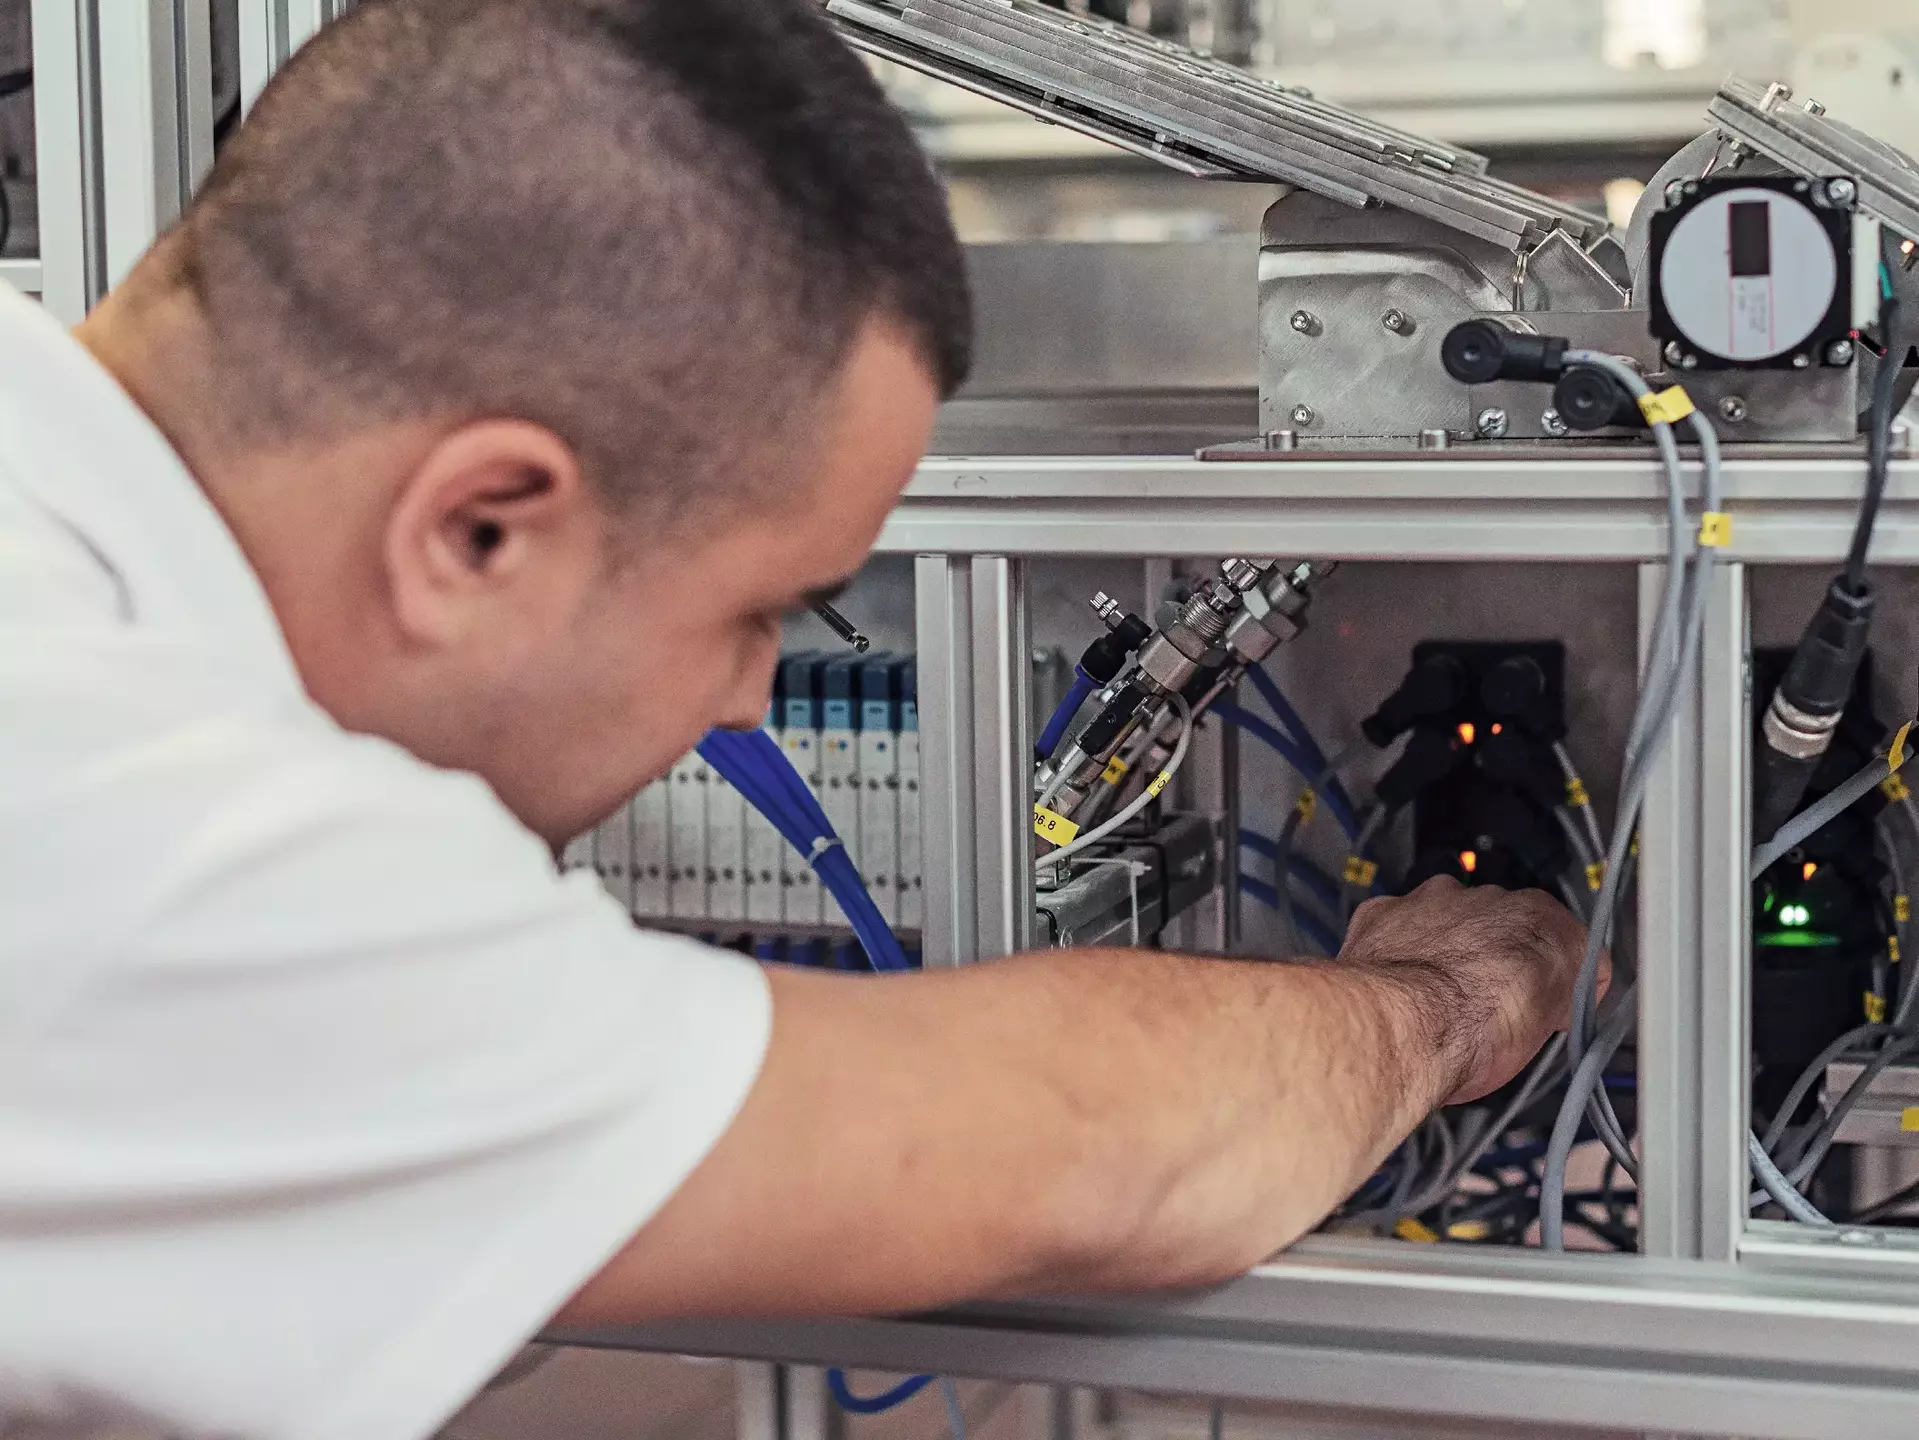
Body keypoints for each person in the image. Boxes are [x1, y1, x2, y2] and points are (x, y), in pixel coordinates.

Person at [0, 3, 1597, 1438]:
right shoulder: (146, 854)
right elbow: (1089, 1146)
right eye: (754, 608)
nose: (752, 693)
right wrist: (1444, 1000)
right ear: (480, 526)